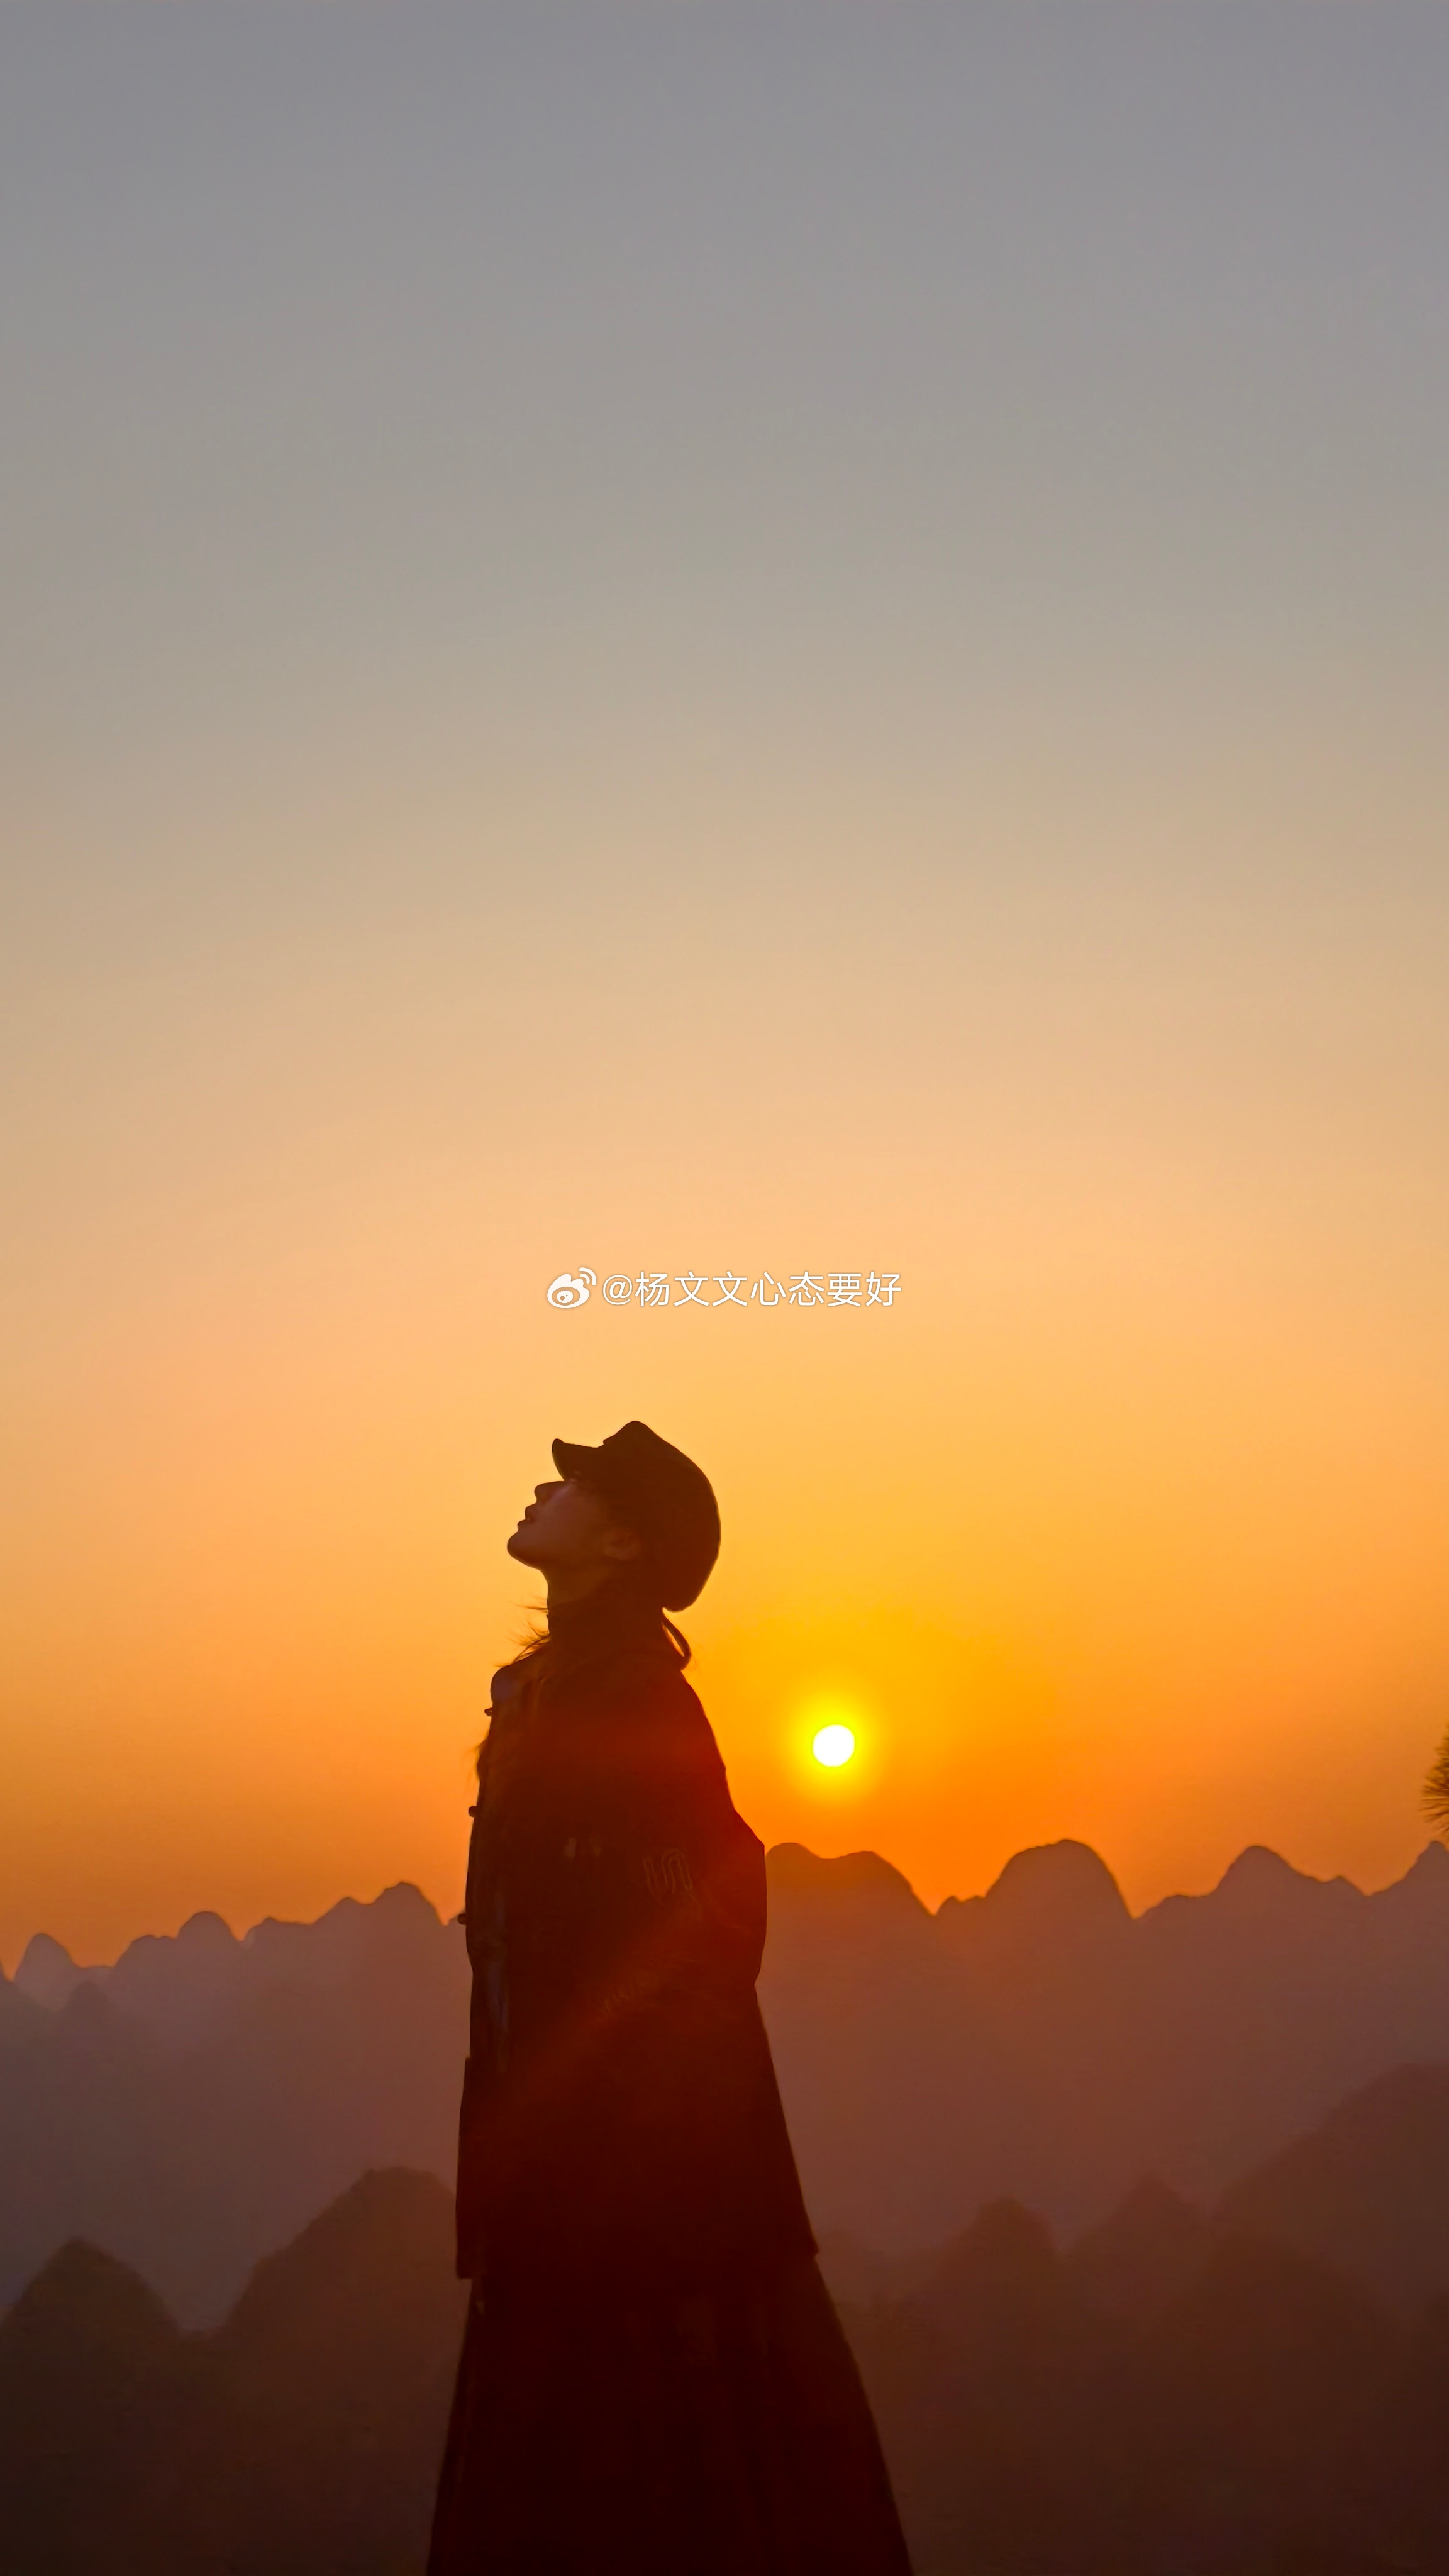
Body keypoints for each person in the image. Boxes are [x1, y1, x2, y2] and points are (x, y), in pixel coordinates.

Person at [428, 1419, 913, 2576]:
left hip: (635, 2181)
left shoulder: (634, 1699)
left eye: (578, 1485)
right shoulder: (550, 1690)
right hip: (554, 2159)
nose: (548, 1485)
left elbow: (707, 1922)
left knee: (653, 2470)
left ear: (622, 1543)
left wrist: (604, 2120)